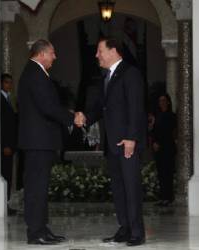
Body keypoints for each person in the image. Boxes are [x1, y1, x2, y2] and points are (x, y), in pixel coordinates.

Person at [81, 37, 146, 247]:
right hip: (113, 144)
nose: (96, 55)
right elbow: (101, 106)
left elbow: (136, 108)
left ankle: (137, 232)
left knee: (131, 187)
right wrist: (84, 118)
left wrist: (131, 138)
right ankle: (125, 228)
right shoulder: (107, 76)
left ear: (113, 51)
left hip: (127, 142)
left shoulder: (130, 73)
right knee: (119, 188)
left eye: (100, 50)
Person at [17, 39, 82, 245]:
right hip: (38, 141)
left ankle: (41, 228)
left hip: (39, 140)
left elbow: (47, 105)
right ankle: (36, 232)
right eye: (52, 53)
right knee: (36, 187)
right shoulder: (35, 74)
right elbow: (47, 107)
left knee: (40, 186)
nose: (55, 57)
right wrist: (72, 117)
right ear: (41, 54)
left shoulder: (35, 72)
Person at [151, 93, 176, 206]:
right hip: (158, 149)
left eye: (164, 100)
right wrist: (154, 142)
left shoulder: (172, 116)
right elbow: (154, 131)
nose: (162, 103)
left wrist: (159, 142)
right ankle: (162, 197)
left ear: (168, 102)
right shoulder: (157, 116)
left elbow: (168, 132)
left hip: (167, 148)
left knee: (168, 173)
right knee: (161, 173)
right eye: (160, 101)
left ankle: (168, 197)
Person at [0, 73, 17, 215]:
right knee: (5, 174)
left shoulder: (8, 99)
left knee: (9, 175)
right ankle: (4, 205)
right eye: (6, 82)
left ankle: (7, 204)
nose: (9, 85)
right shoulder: (0, 99)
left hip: (11, 145)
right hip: (5, 146)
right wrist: (5, 144)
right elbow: (3, 125)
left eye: (10, 82)